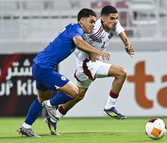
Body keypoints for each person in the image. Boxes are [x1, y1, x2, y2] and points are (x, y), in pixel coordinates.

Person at [17, 8, 110, 137]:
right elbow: (78, 42)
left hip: (39, 65)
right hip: (44, 68)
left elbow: (78, 43)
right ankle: (50, 105)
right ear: (82, 20)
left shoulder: (73, 29)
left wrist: (90, 52)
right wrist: (97, 51)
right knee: (74, 92)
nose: (93, 25)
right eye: (91, 21)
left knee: (41, 99)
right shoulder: (77, 30)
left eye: (95, 22)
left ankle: (26, 127)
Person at [43, 5, 135, 134]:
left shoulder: (114, 24)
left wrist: (127, 44)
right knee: (121, 72)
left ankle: (54, 118)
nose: (115, 21)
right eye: (112, 18)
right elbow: (78, 43)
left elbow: (123, 35)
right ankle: (109, 107)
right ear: (103, 19)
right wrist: (92, 52)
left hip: (92, 62)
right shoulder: (94, 29)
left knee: (79, 95)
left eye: (116, 18)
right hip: (87, 63)